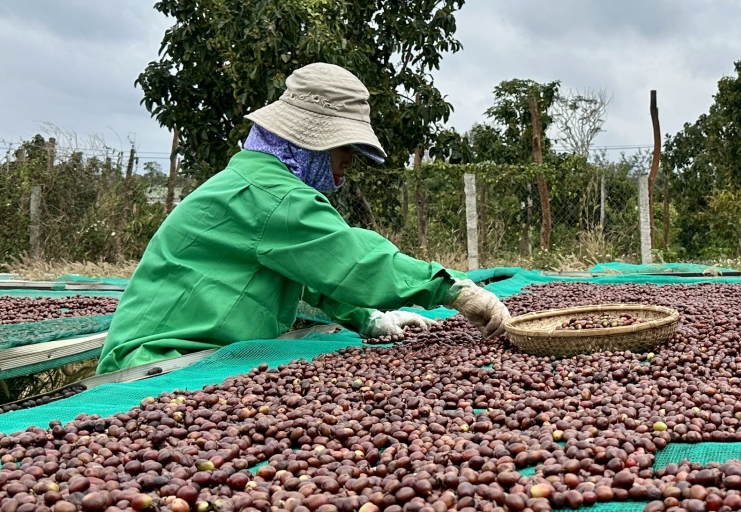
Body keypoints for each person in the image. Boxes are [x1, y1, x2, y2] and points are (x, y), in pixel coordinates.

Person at [97, 63, 510, 373]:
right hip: (159, 361)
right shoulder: (274, 195)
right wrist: (453, 289)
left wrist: (367, 317)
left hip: (181, 352)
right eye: (343, 147)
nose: (349, 162)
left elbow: (315, 272)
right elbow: (352, 260)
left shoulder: (258, 181)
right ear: (308, 143)